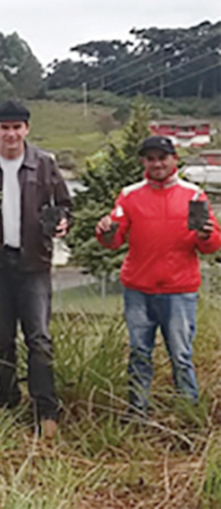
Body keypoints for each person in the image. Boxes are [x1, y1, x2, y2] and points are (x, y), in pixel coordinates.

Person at [0, 99, 71, 438]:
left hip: (34, 261)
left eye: (17, 127)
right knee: (2, 338)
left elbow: (64, 204)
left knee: (39, 338)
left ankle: (45, 408)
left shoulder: (45, 164)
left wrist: (62, 222)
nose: (11, 134)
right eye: (4, 127)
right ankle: (7, 401)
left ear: (27, 129)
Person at [95, 135, 220, 416]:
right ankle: (138, 411)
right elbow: (114, 240)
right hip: (138, 288)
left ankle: (188, 412)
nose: (157, 164)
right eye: (151, 158)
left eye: (162, 158)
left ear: (174, 159)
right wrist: (104, 231)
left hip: (179, 289)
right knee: (139, 353)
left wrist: (206, 236)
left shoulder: (194, 195)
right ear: (144, 162)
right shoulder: (129, 195)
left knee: (181, 356)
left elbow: (211, 245)